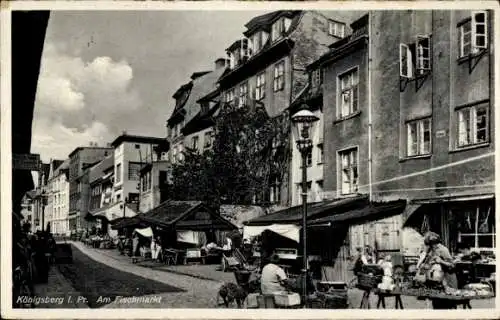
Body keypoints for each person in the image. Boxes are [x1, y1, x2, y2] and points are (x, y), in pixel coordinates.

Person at [423, 231, 458, 309]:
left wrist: (441, 261)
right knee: (437, 304)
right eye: (430, 245)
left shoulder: (443, 250)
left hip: (448, 278)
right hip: (439, 280)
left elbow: (452, 265)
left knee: (449, 304)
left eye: (432, 244)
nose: (431, 247)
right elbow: (428, 264)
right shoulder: (431, 250)